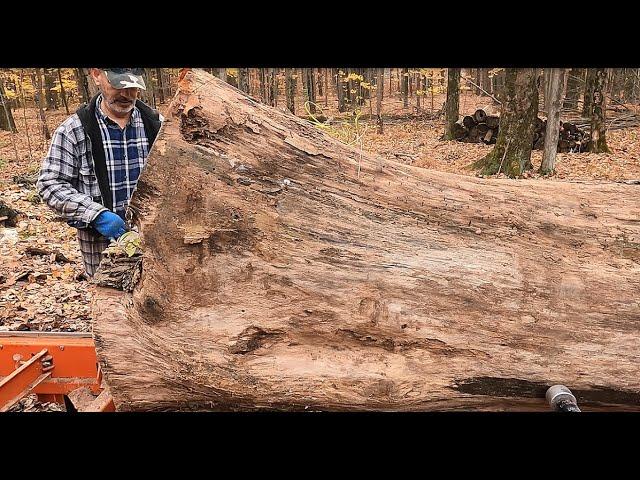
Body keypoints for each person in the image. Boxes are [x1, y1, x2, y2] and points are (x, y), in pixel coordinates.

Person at [37, 68, 163, 277]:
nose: (126, 94)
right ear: (97, 75)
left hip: (154, 246)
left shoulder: (156, 125)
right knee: (109, 305)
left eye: (133, 87)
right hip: (101, 250)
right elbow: (50, 184)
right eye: (118, 85)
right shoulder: (75, 130)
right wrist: (97, 215)